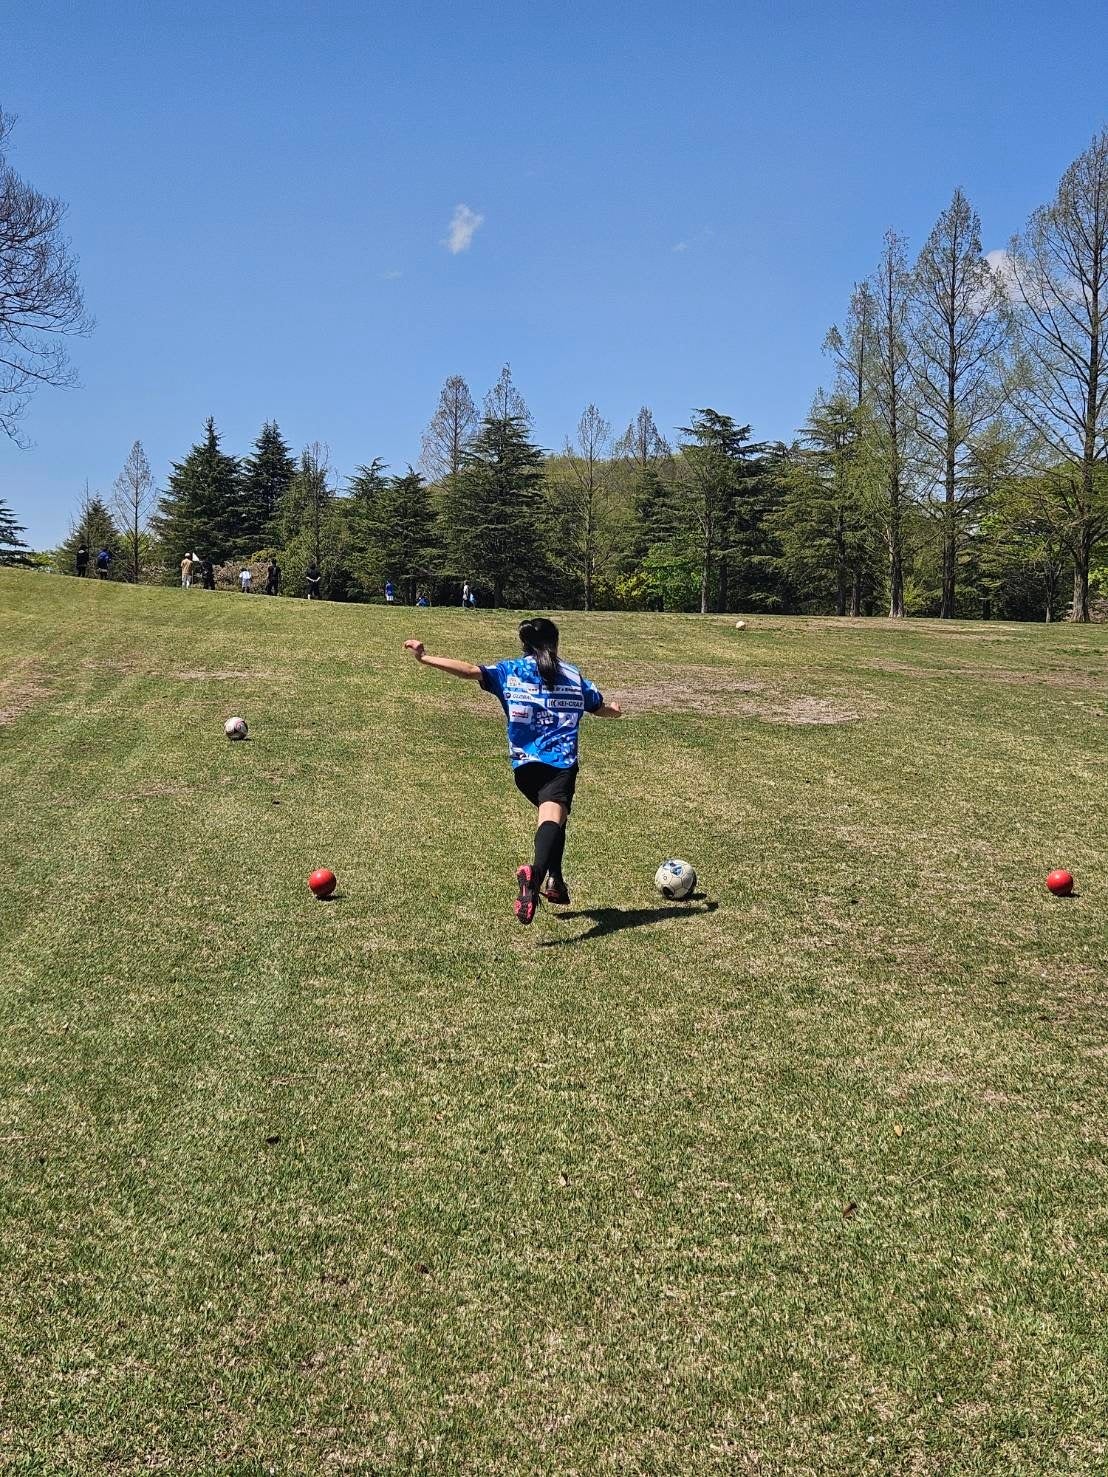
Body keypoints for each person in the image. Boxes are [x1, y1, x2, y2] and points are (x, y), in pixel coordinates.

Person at [404, 617, 622, 925]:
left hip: (524, 768)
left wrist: (425, 658)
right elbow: (599, 707)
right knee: (552, 818)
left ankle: (556, 881)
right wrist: (615, 711)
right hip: (559, 765)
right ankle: (535, 878)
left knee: (554, 820)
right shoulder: (573, 675)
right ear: (556, 643)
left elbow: (469, 670)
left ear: (524, 645)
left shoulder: (509, 671)